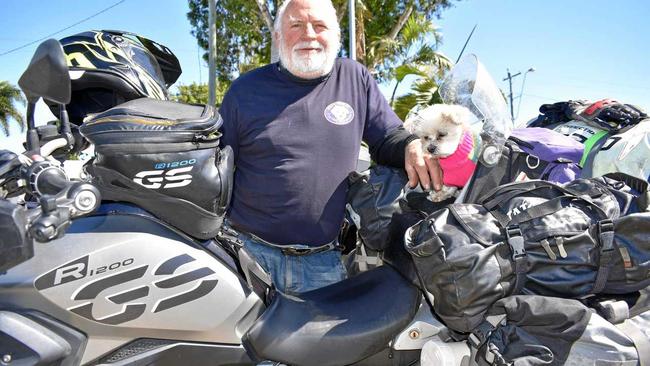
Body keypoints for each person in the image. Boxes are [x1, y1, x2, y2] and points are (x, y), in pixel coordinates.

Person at [219, 0, 441, 294]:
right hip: (248, 256)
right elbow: (217, 164)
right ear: (277, 37)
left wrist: (411, 145)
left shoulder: (355, 78)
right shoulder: (244, 90)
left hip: (323, 261)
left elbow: (387, 137)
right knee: (238, 341)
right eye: (296, 25)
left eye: (319, 26)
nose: (309, 34)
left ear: (336, 37)